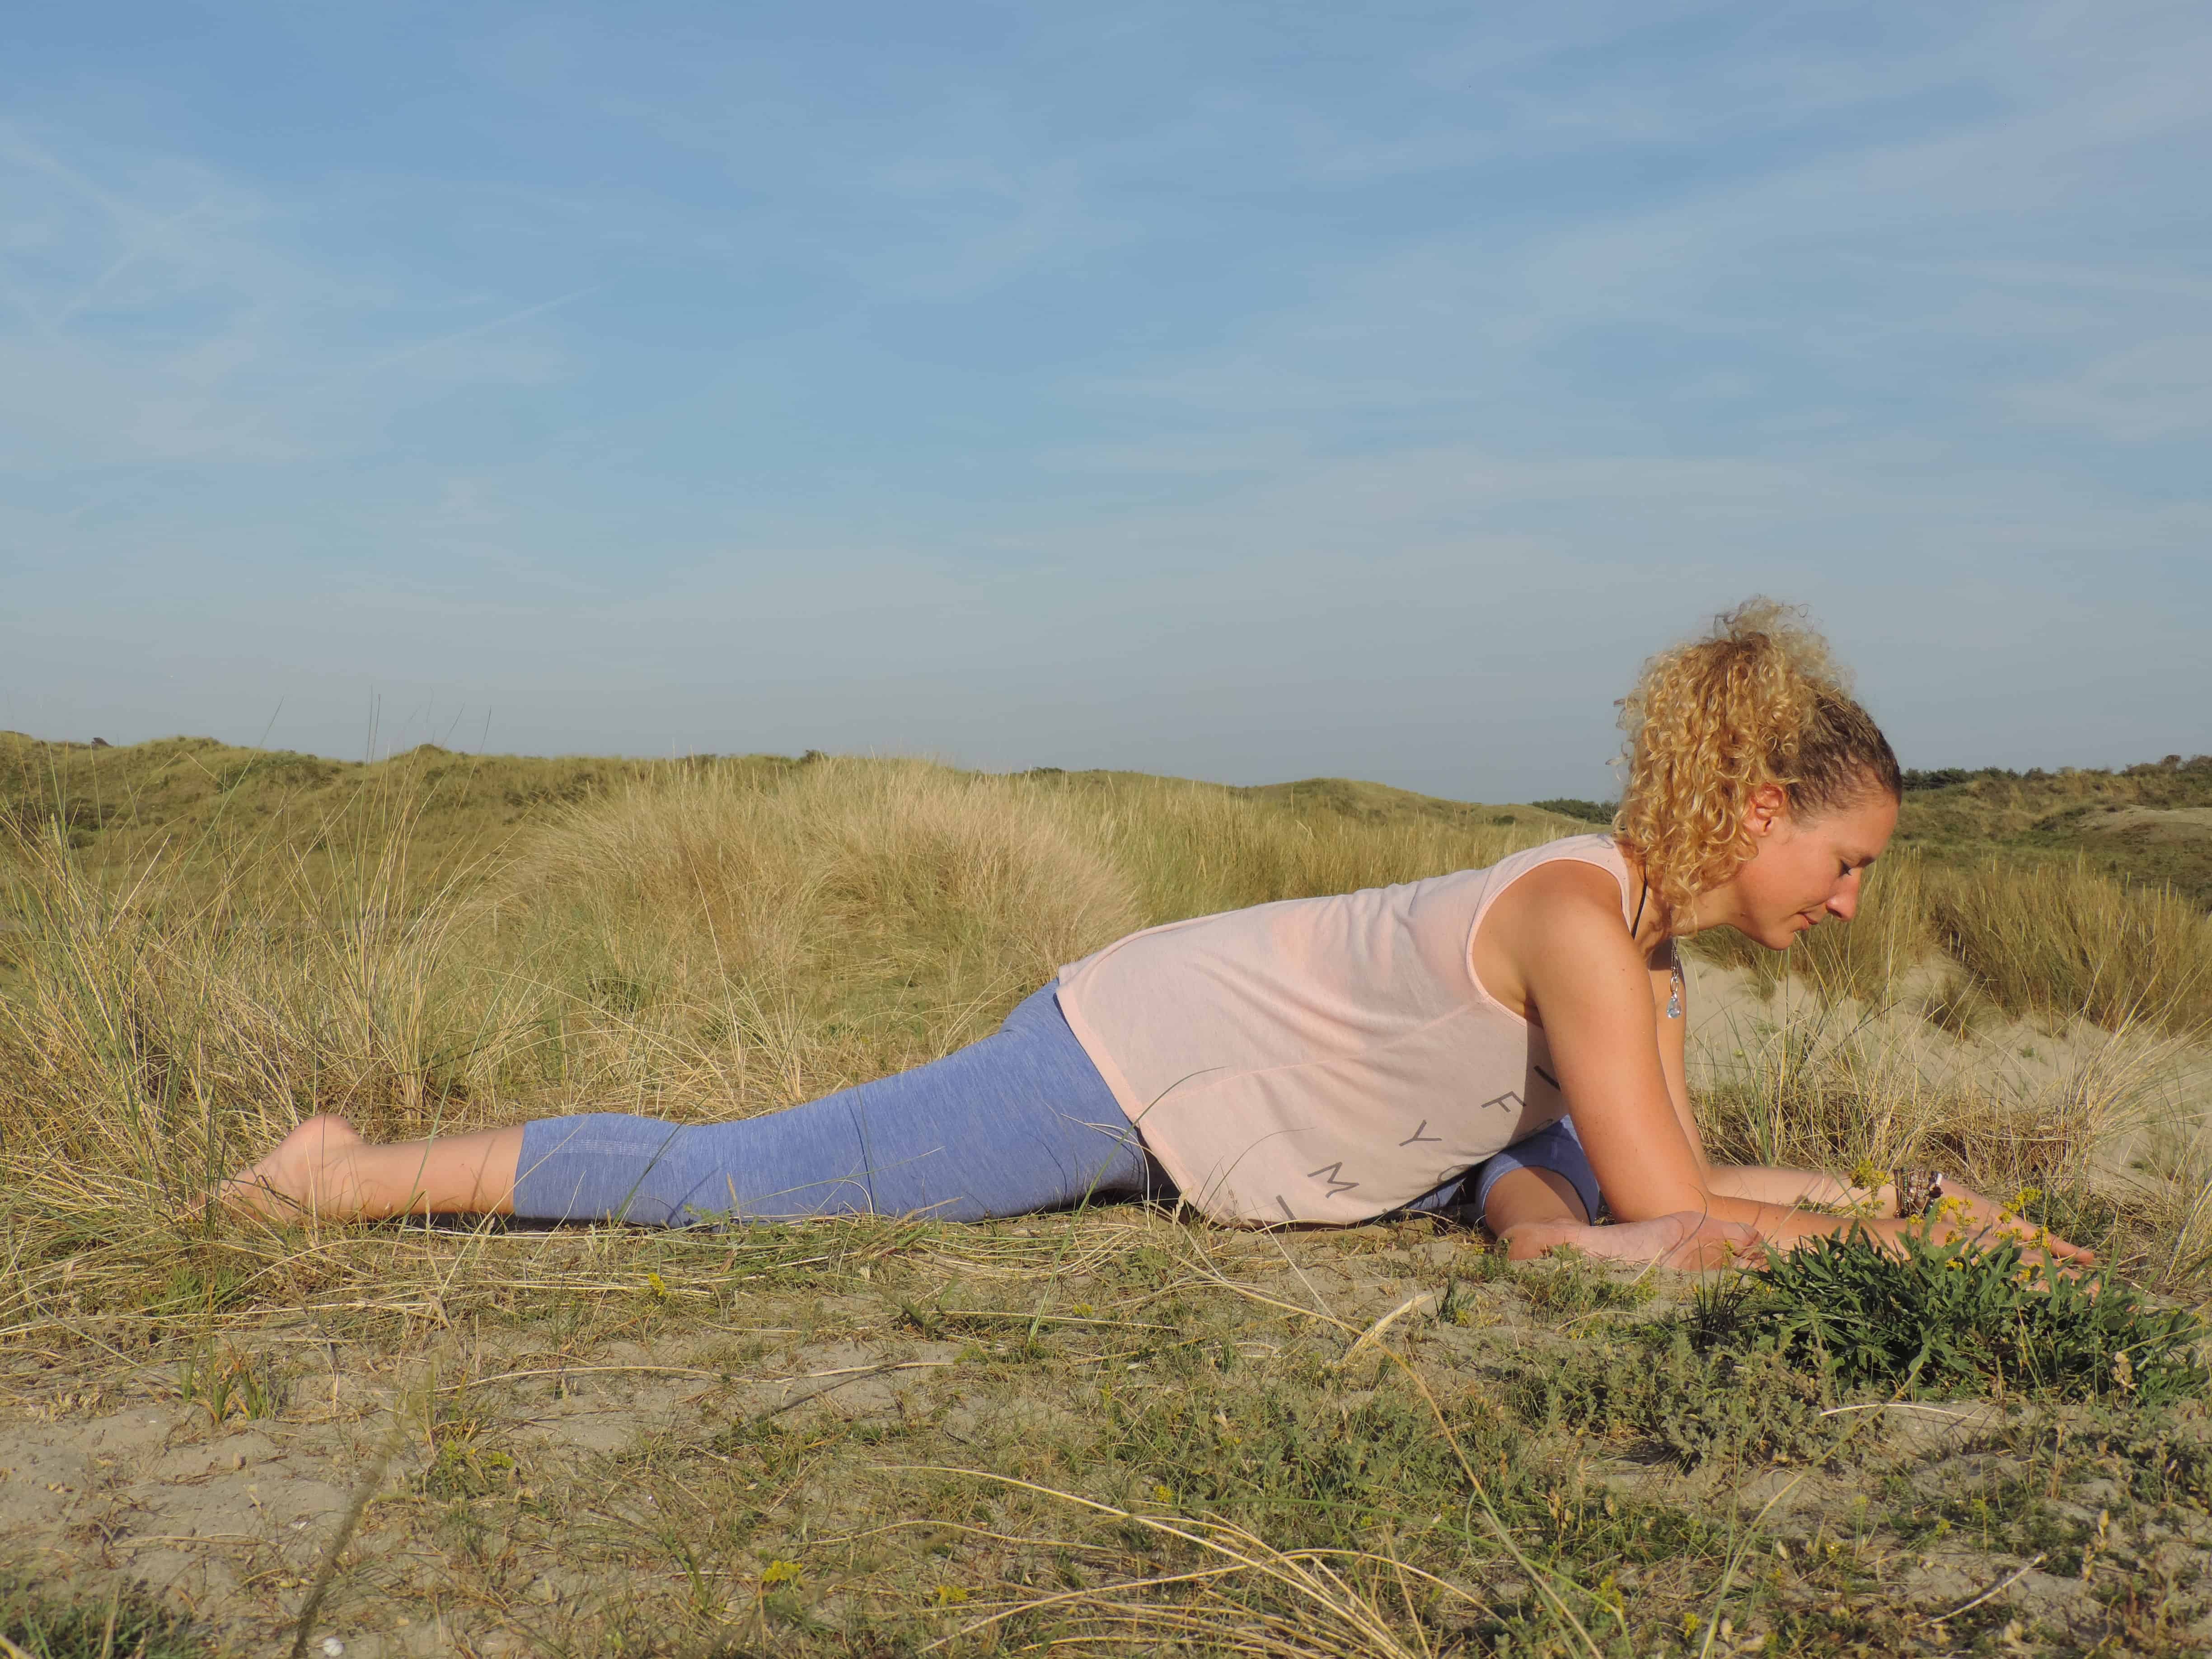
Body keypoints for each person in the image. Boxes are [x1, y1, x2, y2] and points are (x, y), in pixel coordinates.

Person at [225, 600, 2089, 1272]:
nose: (1850, 907)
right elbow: (1682, 1215)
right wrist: (1926, 1242)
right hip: (1133, 1063)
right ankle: (348, 1174)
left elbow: (1657, 1181)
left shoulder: (1646, 956)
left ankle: (360, 1171)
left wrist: (1896, 1198)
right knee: (753, 1189)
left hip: (1225, 1082)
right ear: (1760, 815)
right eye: (1843, 863)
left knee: (1553, 1202)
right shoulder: (1585, 925)